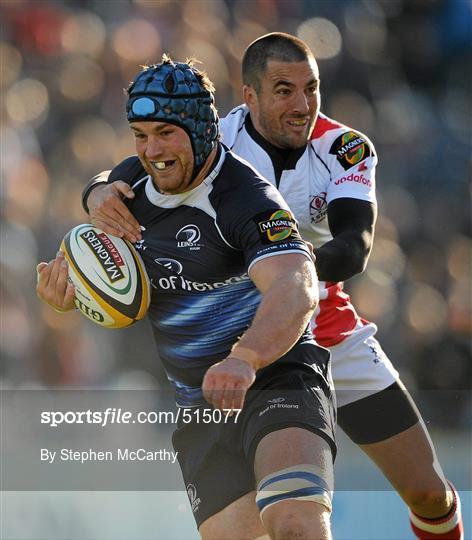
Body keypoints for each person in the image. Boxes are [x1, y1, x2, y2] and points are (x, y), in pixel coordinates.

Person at [81, 35, 464, 539]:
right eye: (284, 90)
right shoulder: (214, 140)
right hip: (238, 344)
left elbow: (353, 247)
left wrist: (273, 262)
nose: (301, 104)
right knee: (279, 521)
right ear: (250, 96)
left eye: (311, 88)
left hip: (327, 331)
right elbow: (137, 171)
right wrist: (95, 192)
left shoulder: (344, 148)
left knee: (428, 493)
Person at [37, 56, 338, 540]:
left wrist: (246, 357)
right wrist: (72, 295)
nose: (151, 150)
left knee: (295, 524)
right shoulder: (129, 188)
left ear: (200, 130)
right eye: (140, 134)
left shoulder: (246, 198)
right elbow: (102, 213)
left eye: (165, 133)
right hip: (198, 403)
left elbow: (296, 287)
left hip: (275, 375)